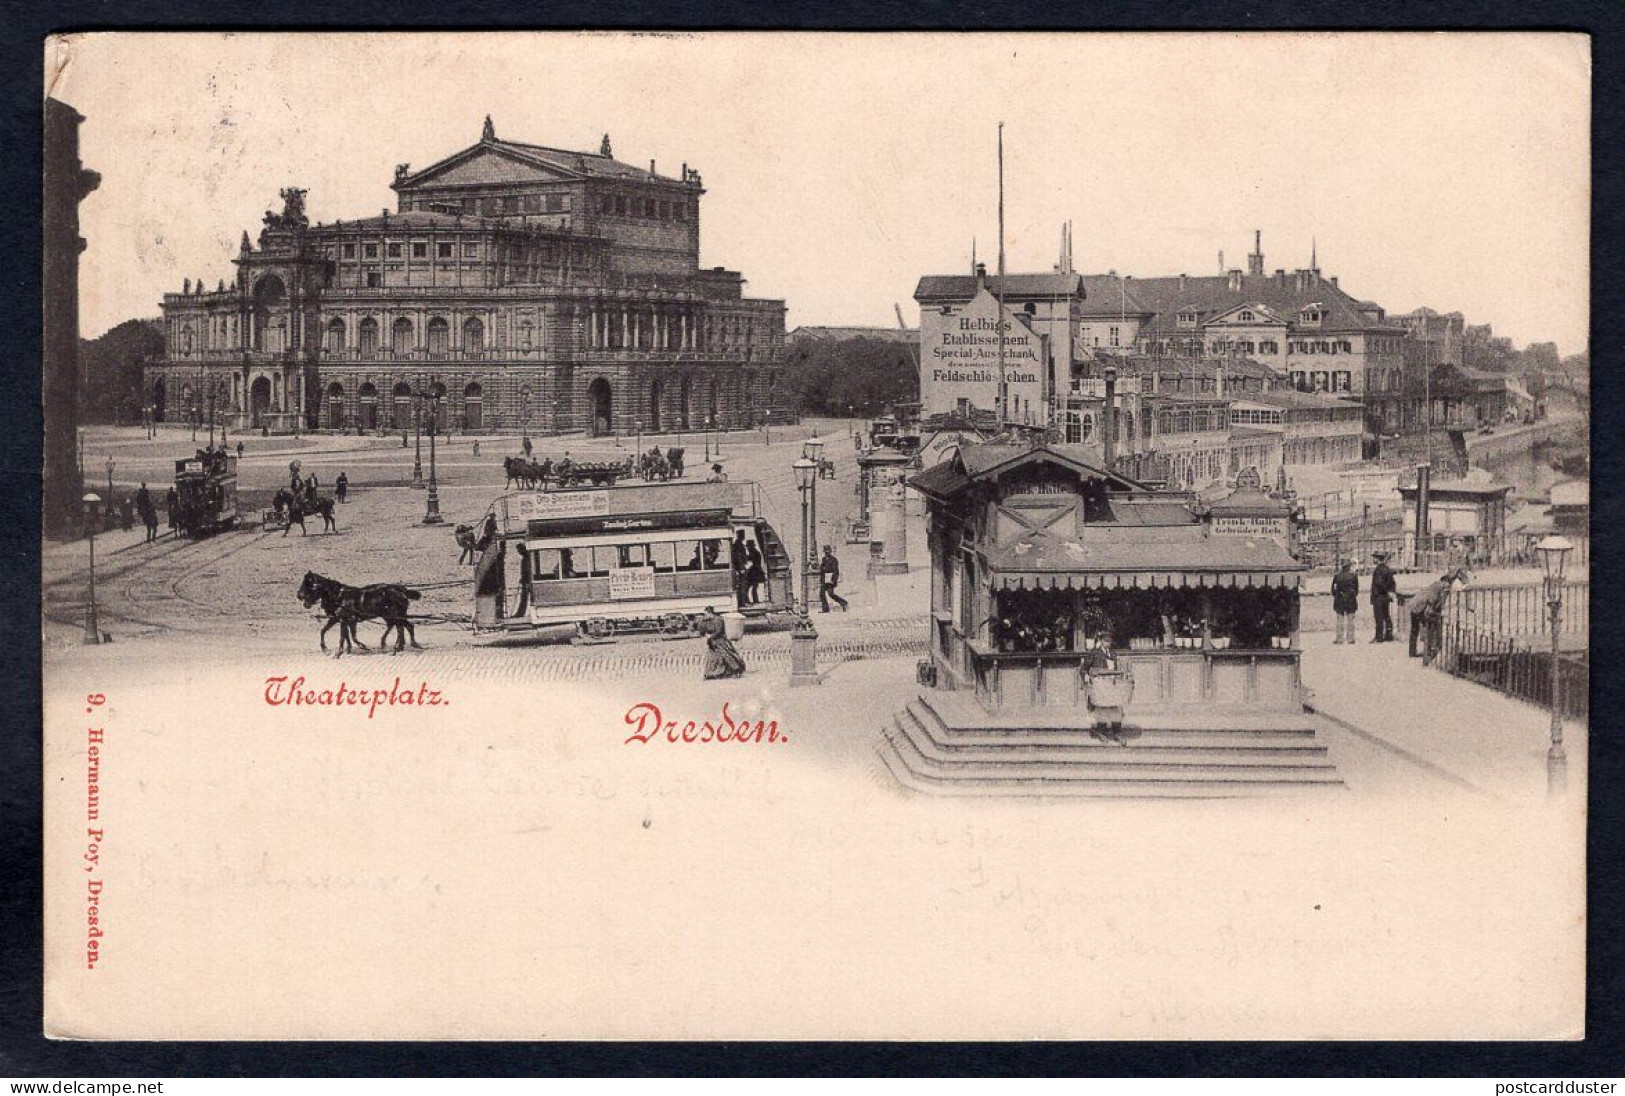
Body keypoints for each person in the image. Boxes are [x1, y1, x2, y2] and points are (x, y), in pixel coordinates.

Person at [1408, 569, 1465, 662]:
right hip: (1422, 608)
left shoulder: (1436, 584)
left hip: (1415, 605)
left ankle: (1412, 651)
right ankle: (1428, 656)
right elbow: (1434, 600)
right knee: (1429, 630)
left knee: (1415, 630)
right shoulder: (1442, 586)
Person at [698, 605, 746, 679]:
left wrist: (711, 636)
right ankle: (713, 673)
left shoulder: (718, 620)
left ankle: (736, 670)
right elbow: (702, 630)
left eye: (706, 613)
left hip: (721, 641)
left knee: (727, 655)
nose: (705, 615)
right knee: (713, 658)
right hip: (712, 642)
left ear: (709, 612)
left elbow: (719, 631)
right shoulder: (708, 620)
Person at [1370, 551, 1397, 643]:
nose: (1373, 559)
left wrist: (1386, 590)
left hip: (1378, 596)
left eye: (1374, 557)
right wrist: (1390, 592)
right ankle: (1389, 636)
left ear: (1378, 559)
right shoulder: (1387, 569)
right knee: (1386, 616)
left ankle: (1379, 637)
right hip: (1385, 597)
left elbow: (1379, 583)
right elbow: (1393, 583)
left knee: (1379, 617)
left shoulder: (1378, 569)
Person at [1331, 558, 1359, 644]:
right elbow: (1356, 589)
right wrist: (1352, 596)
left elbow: (1333, 589)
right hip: (1350, 599)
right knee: (1351, 619)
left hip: (1339, 599)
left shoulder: (1337, 576)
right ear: (1349, 565)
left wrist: (1337, 596)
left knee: (1340, 619)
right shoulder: (1354, 575)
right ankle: (1350, 638)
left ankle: (1339, 638)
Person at [818, 545, 849, 612]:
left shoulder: (834, 560)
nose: (826, 553)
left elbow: (836, 571)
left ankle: (843, 603)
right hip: (825, 580)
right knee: (821, 593)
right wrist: (821, 580)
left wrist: (833, 580)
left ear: (830, 552)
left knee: (831, 594)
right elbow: (822, 571)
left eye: (828, 551)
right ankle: (825, 609)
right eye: (825, 552)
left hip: (830, 580)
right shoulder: (823, 559)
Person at [731, 530, 751, 607]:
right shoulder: (738, 544)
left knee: (743, 585)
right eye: (742, 535)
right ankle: (742, 603)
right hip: (741, 567)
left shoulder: (739, 543)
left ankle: (744, 601)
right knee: (742, 585)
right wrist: (741, 567)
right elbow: (738, 557)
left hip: (742, 566)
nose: (743, 536)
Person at [745, 540, 766, 606]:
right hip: (756, 572)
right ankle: (755, 600)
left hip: (755, 573)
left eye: (748, 547)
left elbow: (749, 560)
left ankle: (753, 601)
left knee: (749, 587)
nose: (747, 548)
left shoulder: (754, 553)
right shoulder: (756, 552)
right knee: (754, 587)